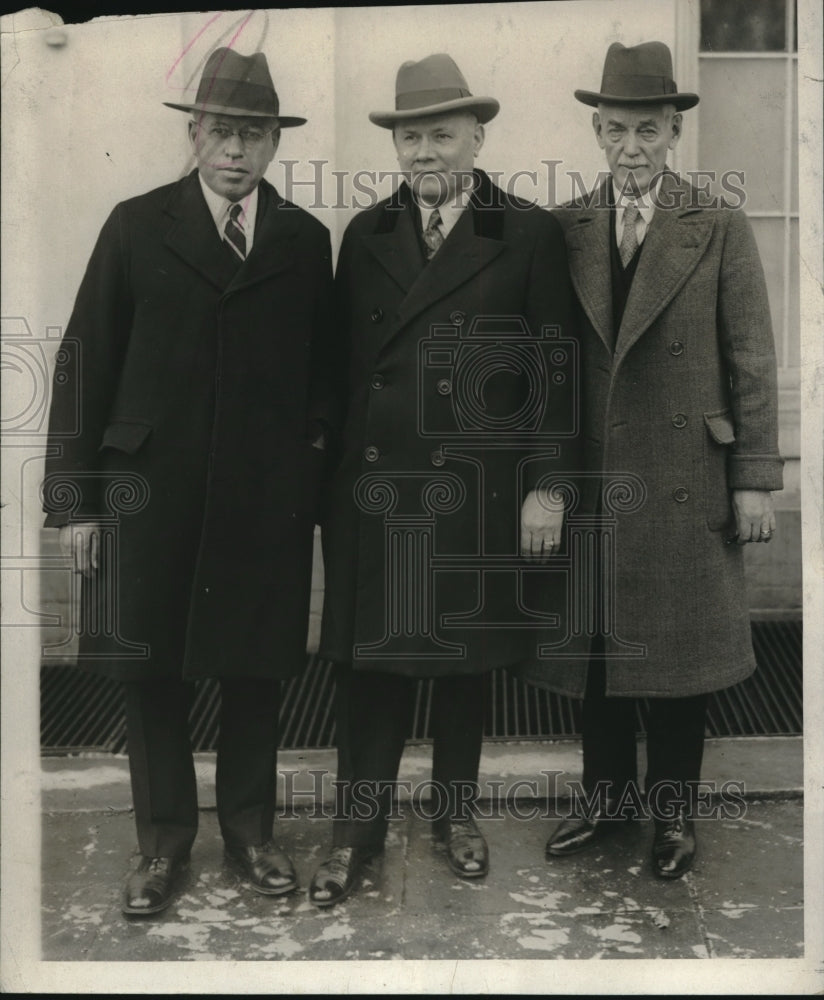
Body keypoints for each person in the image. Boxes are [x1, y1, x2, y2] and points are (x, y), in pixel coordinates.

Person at [42, 47, 336, 915]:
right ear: (196, 136)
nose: (236, 152)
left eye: (253, 136)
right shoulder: (136, 225)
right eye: (221, 133)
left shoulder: (303, 240)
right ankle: (162, 845)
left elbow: (324, 376)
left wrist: (305, 476)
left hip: (261, 501)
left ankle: (251, 834)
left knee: (255, 671)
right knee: (154, 675)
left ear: (275, 145)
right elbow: (82, 361)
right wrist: (78, 502)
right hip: (149, 495)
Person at [310, 53, 577, 907]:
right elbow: (340, 372)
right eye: (411, 136)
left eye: (441, 134)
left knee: (466, 665)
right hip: (378, 492)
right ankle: (357, 829)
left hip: (479, 490)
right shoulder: (365, 235)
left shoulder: (526, 233)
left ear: (477, 137)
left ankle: (456, 814)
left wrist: (547, 487)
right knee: (371, 672)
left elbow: (555, 373)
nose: (424, 152)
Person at [520, 41, 783, 878]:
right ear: (597, 132)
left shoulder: (717, 226)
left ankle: (673, 818)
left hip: (686, 479)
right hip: (597, 474)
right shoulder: (565, 228)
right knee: (598, 653)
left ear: (673, 133)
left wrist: (753, 479)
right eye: (616, 130)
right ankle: (606, 802)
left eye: (648, 130)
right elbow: (549, 364)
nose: (631, 148)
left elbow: (751, 358)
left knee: (678, 661)